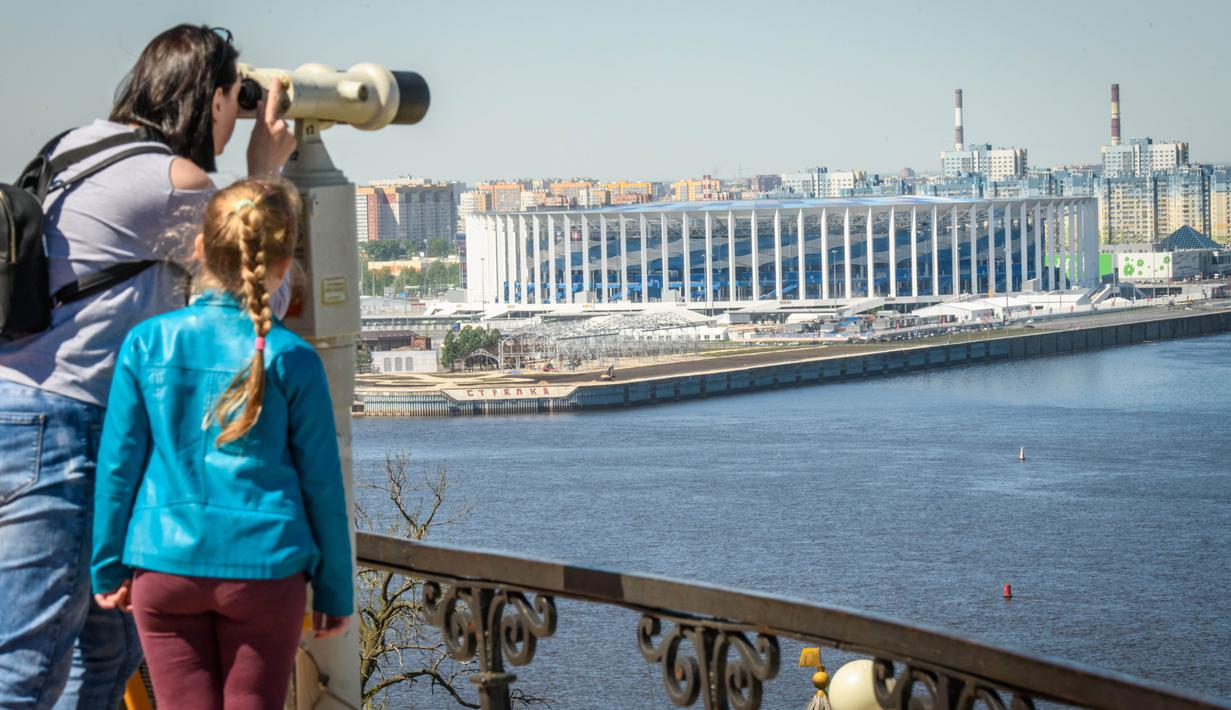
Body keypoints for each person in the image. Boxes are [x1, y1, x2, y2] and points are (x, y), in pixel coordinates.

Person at [0, 25, 296, 709]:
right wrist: (265, 172)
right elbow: (259, 298)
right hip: (67, 426)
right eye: (235, 98)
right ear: (213, 99)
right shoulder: (172, 182)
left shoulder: (73, 146)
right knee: (28, 670)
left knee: (108, 650)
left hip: (20, 410)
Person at [91, 179, 352, 709]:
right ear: (285, 265)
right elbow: (323, 487)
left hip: (164, 562)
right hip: (265, 566)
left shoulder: (147, 342)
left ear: (200, 249)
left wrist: (108, 565)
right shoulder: (292, 357)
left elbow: (118, 468)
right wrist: (334, 590)